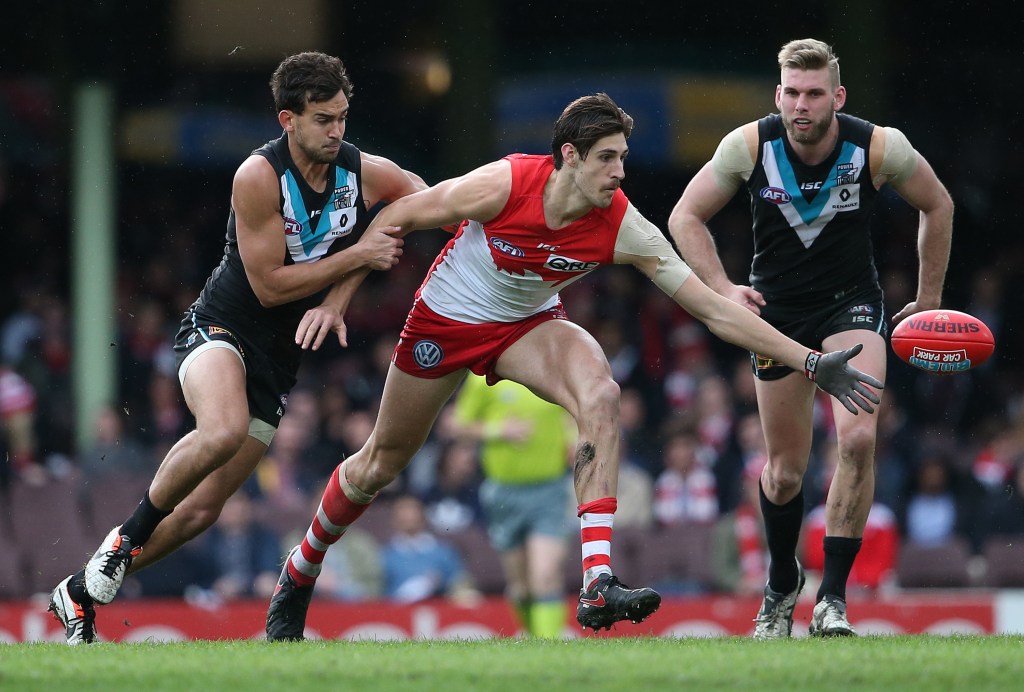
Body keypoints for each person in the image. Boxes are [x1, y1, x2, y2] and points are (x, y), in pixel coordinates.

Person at [265, 91, 883, 641]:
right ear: (568, 156)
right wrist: (338, 298)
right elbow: (394, 218)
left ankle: (597, 581)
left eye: (623, 156)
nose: (620, 171)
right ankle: (300, 571)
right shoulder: (503, 183)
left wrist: (807, 360)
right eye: (607, 157)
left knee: (601, 393)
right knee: (380, 463)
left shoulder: (622, 225)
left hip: (528, 326)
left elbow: (712, 310)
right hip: (446, 320)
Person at [47, 51, 428, 645]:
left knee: (200, 513)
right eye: (323, 119)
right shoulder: (257, 176)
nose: (337, 131)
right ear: (287, 120)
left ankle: (79, 588)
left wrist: (339, 299)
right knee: (221, 429)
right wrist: (356, 258)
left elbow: (419, 202)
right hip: (220, 330)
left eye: (343, 118)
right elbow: (270, 284)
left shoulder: (360, 168)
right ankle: (123, 540)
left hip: (277, 362)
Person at [667, 38, 953, 639]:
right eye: (792, 93)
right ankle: (780, 585)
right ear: (778, 95)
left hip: (851, 304)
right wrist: (722, 288)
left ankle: (833, 600)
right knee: (786, 472)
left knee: (855, 440)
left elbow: (939, 205)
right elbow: (683, 217)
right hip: (775, 317)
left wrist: (927, 302)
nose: (802, 105)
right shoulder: (748, 145)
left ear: (837, 96)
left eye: (815, 93)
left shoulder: (879, 146)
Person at [450, 374, 576, 638]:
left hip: (549, 490)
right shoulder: (482, 377)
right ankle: (533, 638)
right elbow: (457, 425)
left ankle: (548, 649)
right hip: (503, 493)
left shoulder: (550, 371)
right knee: (521, 585)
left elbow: (571, 412)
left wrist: (572, 438)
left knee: (545, 575)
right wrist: (497, 430)